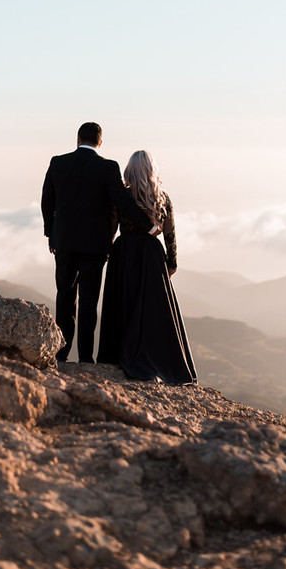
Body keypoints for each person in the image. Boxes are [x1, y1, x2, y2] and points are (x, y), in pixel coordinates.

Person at [41, 122, 151, 363]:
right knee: (90, 302)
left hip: (65, 243)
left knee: (65, 297)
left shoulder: (58, 163)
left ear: (78, 138)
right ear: (100, 142)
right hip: (95, 246)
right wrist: (149, 225)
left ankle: (61, 354)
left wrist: (51, 234)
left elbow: (47, 201)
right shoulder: (108, 168)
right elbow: (122, 202)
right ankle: (86, 358)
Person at [97, 150, 197, 385]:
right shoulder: (163, 197)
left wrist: (107, 252)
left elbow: (111, 228)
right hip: (151, 256)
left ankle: (119, 355)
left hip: (125, 254)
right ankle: (156, 359)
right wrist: (172, 262)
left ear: (129, 170)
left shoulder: (122, 196)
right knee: (151, 310)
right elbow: (170, 233)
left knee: (123, 305)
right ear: (153, 171)